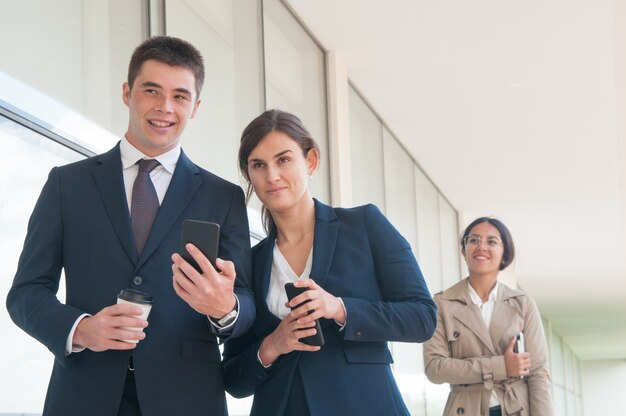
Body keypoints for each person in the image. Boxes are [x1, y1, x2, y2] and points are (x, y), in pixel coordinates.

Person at [6, 36, 254, 416]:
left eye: (180, 96)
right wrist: (81, 328)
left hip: (188, 396)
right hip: (84, 393)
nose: (164, 108)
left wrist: (226, 308)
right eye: (151, 90)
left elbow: (246, 301)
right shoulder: (67, 184)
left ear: (196, 106)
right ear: (127, 92)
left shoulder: (224, 197)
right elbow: (25, 293)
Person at [222, 109, 437, 415]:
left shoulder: (365, 225)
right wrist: (272, 345)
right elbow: (233, 379)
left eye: (283, 160)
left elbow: (422, 318)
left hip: (363, 405)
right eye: (259, 165)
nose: (272, 176)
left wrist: (339, 307)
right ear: (249, 175)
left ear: (310, 161)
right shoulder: (250, 262)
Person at [423, 218, 553, 416]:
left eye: (491, 241)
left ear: (504, 254)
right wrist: (501, 366)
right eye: (473, 240)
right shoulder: (442, 303)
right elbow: (435, 368)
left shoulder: (522, 304)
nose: (481, 246)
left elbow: (538, 373)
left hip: (516, 408)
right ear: (463, 251)